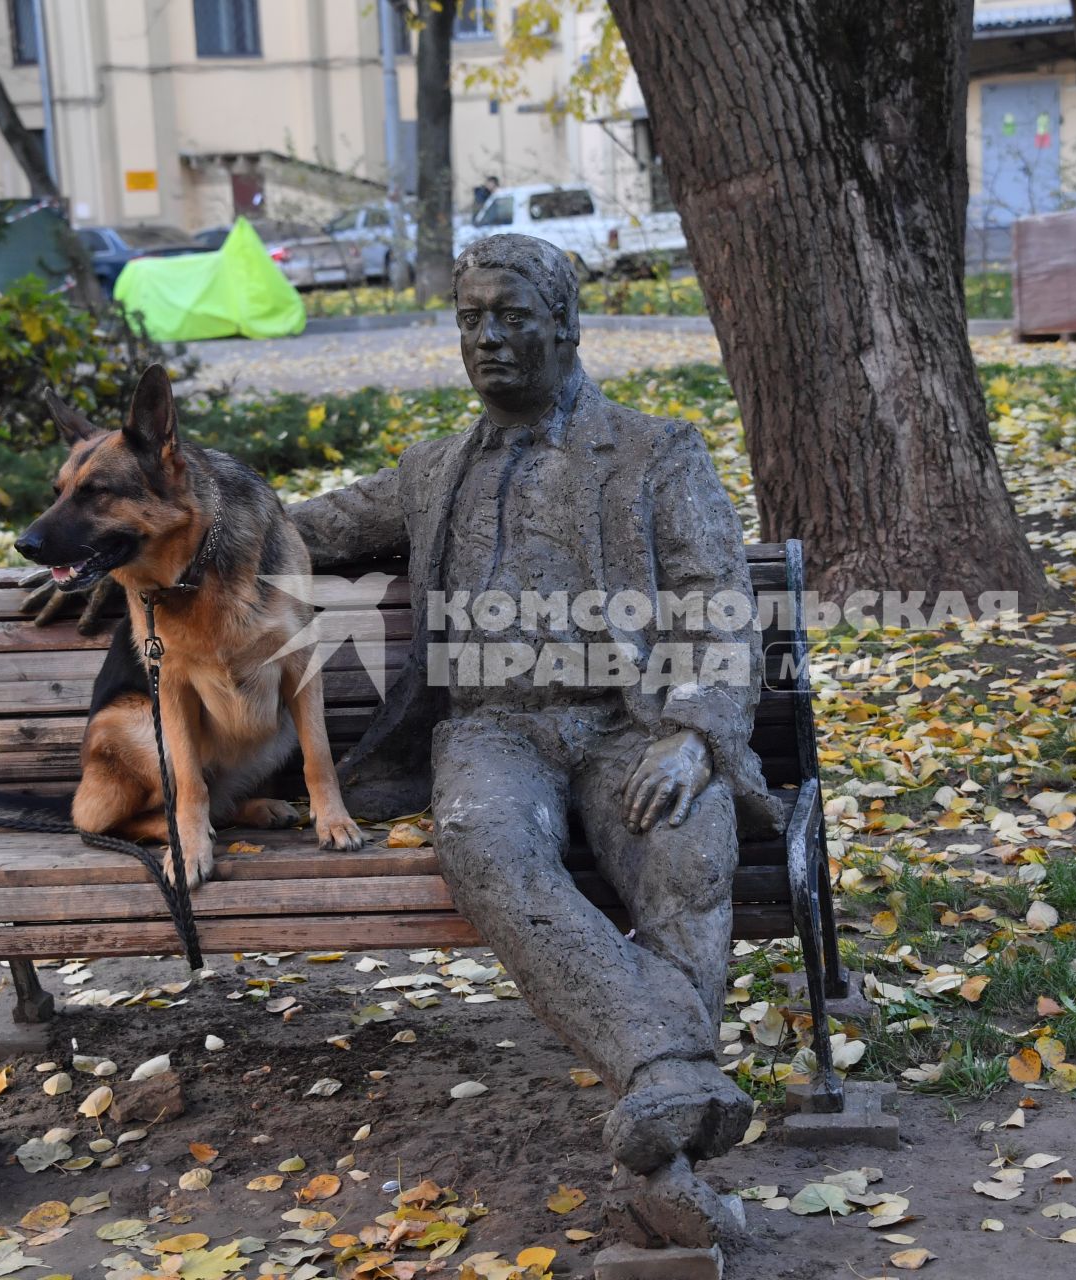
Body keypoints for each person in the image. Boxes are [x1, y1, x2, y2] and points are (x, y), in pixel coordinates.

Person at [288, 234, 772, 1250]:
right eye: (472, 320)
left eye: (510, 316)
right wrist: (121, 531)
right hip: (495, 731)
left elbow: (717, 601)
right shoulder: (434, 471)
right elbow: (293, 528)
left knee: (692, 834)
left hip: (631, 721)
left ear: (565, 323)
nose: (489, 338)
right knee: (481, 839)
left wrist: (691, 729)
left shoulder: (656, 451)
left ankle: (662, 1132)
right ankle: (671, 1075)